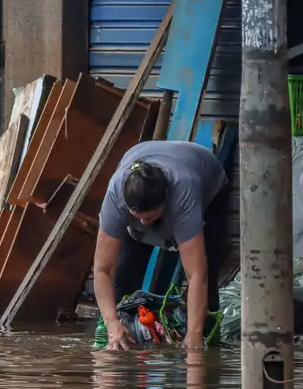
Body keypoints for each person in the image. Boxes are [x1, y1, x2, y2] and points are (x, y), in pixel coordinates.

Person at [93, 140, 230, 352]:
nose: (143, 224)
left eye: (149, 218)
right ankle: (120, 339)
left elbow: (196, 275)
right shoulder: (116, 197)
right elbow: (102, 269)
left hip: (205, 176)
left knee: (207, 273)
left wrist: (193, 337)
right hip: (143, 163)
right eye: (137, 218)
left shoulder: (183, 197)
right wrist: (112, 323)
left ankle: (206, 341)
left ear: (166, 203)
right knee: (124, 271)